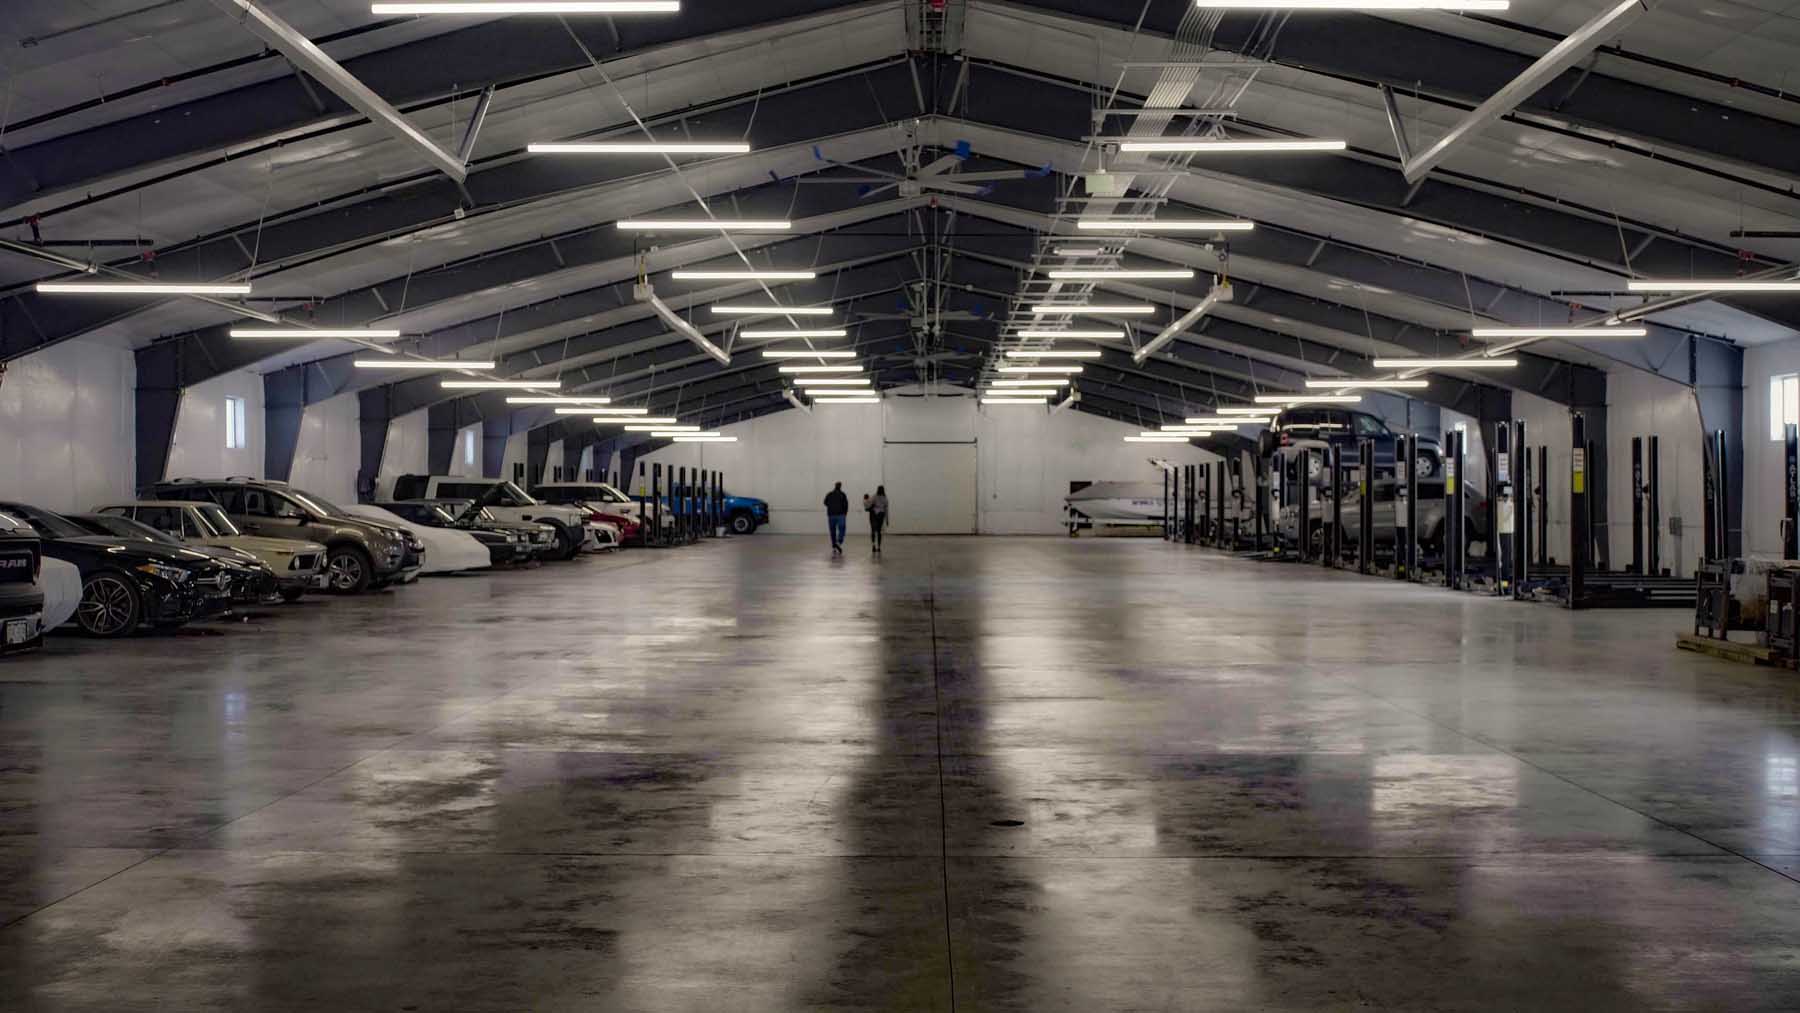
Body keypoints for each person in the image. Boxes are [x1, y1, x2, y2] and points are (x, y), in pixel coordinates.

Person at [823, 482, 849, 554]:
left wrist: (831, 506)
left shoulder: (829, 494)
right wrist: (845, 513)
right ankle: (838, 542)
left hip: (831, 514)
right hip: (840, 514)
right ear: (840, 486)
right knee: (842, 528)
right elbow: (846, 505)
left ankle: (834, 546)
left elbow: (825, 502)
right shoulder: (843, 494)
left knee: (832, 531)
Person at [867, 485, 889, 553]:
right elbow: (886, 509)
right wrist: (887, 519)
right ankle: (879, 547)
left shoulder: (874, 496)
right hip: (881, 515)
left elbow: (869, 504)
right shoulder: (885, 498)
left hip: (874, 515)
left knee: (873, 530)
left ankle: (873, 545)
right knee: (879, 531)